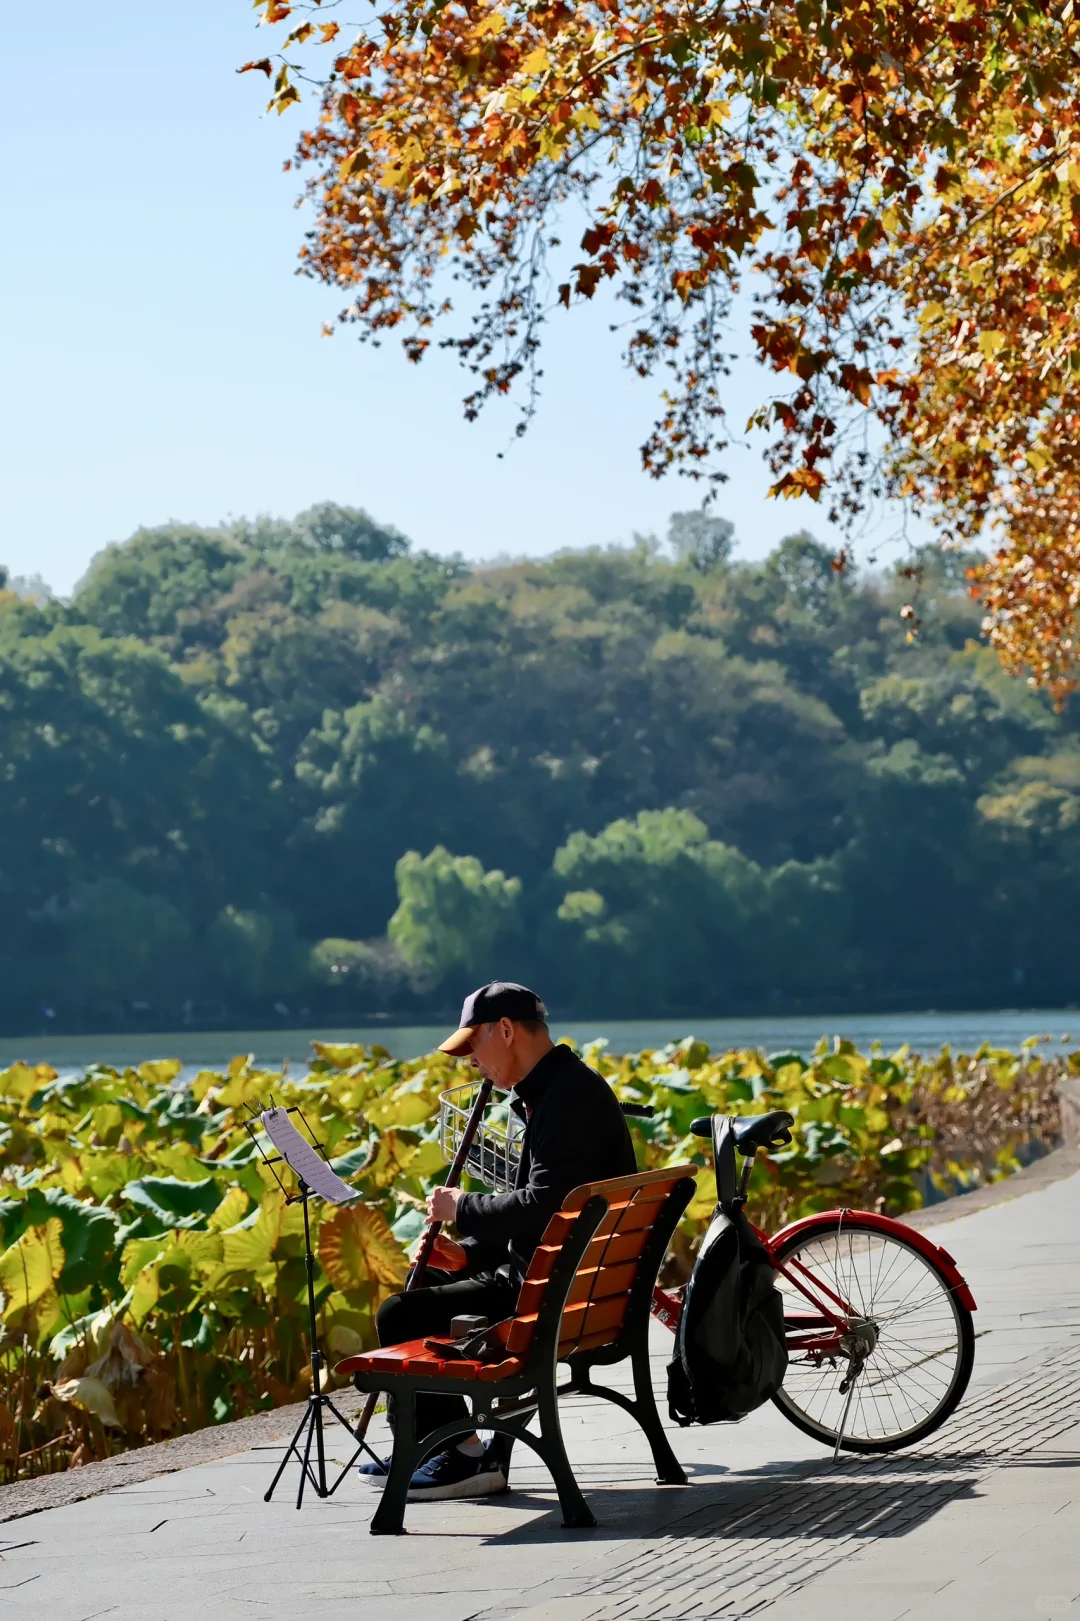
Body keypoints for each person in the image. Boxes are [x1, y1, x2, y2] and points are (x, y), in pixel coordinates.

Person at [362, 980, 637, 1501]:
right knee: (432, 1289)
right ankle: (429, 1444)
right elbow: (550, 1215)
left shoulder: (564, 1101)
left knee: (400, 1314)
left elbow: (543, 1202)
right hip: (574, 1288)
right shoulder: (563, 1090)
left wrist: (460, 1207)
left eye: (474, 1047)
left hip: (548, 1298)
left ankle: (460, 1454)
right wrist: (467, 1252)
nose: (471, 1064)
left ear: (506, 1031)